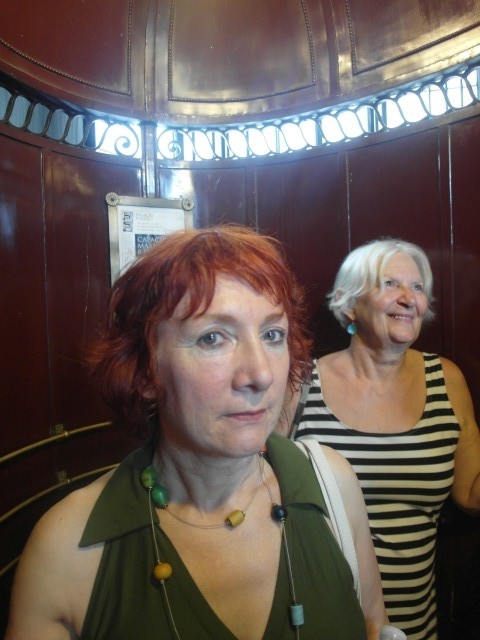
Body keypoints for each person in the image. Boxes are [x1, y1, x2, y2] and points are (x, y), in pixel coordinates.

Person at [5, 225, 387, 640]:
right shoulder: (66, 550)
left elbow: (373, 625)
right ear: (146, 370)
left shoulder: (333, 485)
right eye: (213, 338)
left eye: (273, 335)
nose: (260, 374)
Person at [290, 237, 480, 640]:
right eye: (390, 284)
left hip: (415, 624)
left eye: (417, 287)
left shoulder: (446, 379)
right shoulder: (303, 384)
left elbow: (470, 493)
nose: (409, 298)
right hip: (323, 623)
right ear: (349, 304)